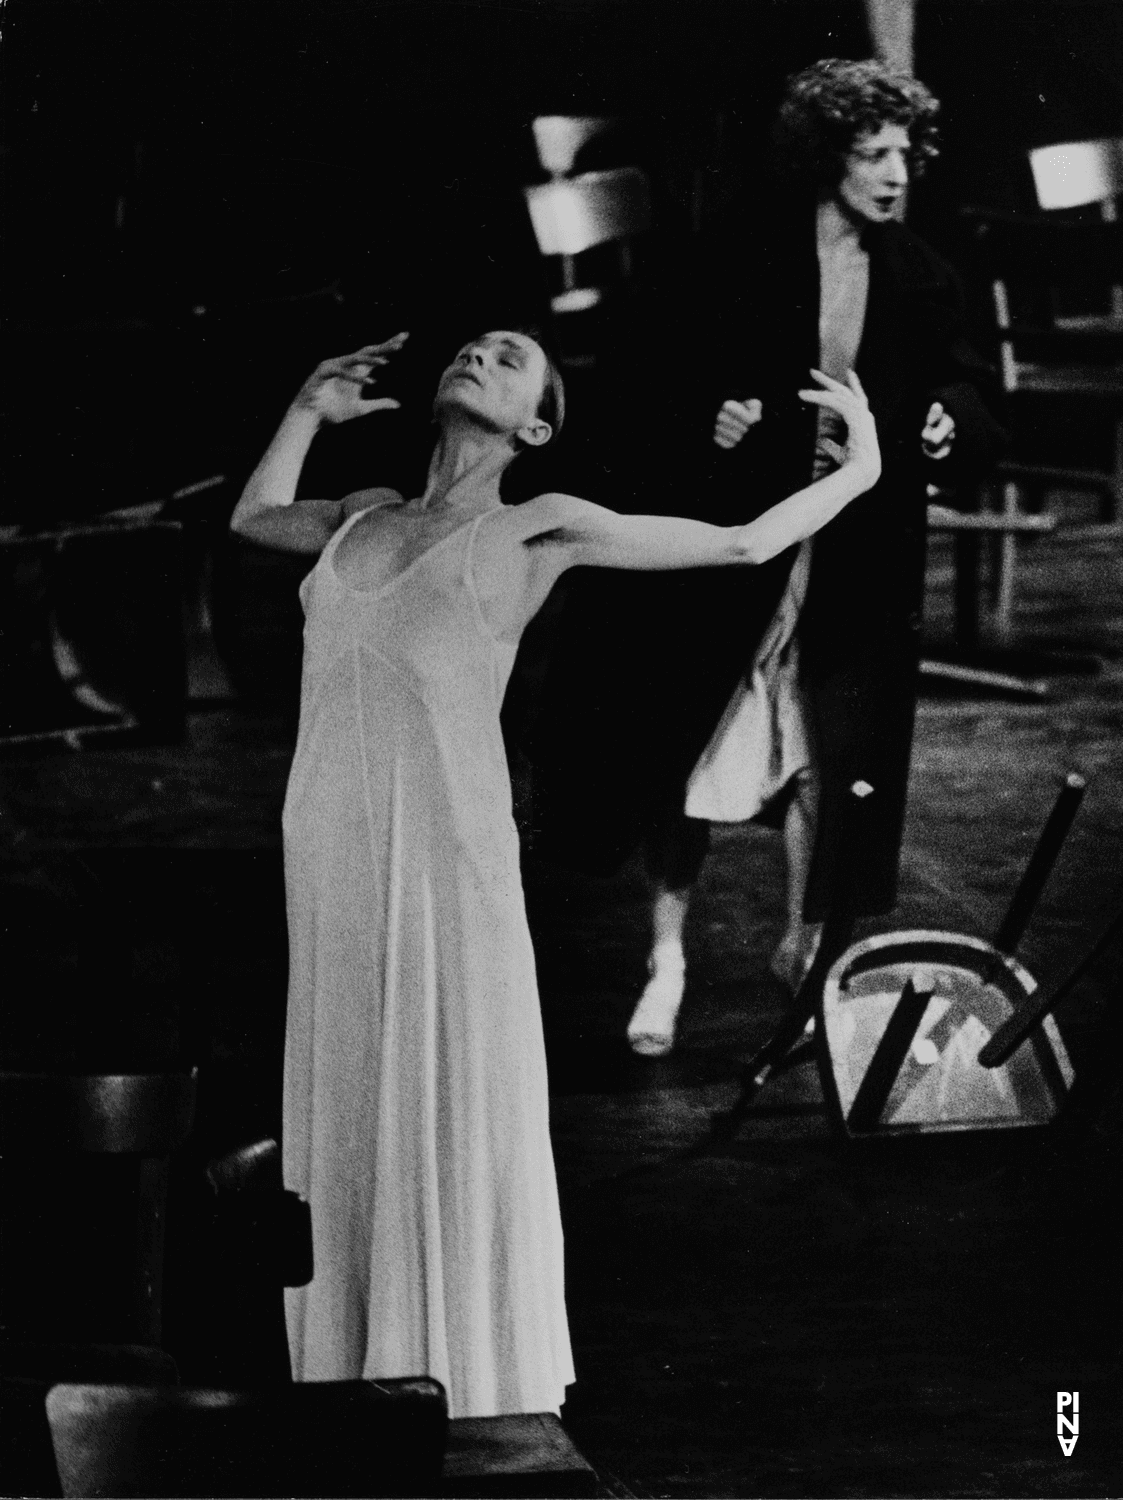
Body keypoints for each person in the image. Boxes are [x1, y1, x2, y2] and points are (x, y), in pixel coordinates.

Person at [229, 326, 880, 1419]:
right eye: (473, 347)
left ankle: (465, 1382)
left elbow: (739, 546)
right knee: (348, 1084)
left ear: (535, 425)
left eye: (512, 355)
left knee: (448, 1090)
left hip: (446, 853)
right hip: (330, 846)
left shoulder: (538, 525)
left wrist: (861, 468)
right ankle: (352, 1370)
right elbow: (251, 519)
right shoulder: (363, 511)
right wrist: (303, 406)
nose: (479, 354)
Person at [624, 57, 1006, 1056]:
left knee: (824, 761)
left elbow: (969, 394)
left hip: (854, 558)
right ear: (825, 155)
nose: (891, 174)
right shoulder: (739, 254)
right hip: (739, 542)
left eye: (902, 155)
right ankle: (665, 959)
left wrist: (941, 423)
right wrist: (710, 423)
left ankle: (802, 949)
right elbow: (659, 370)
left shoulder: (921, 274)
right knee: (693, 750)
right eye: (869, 153)